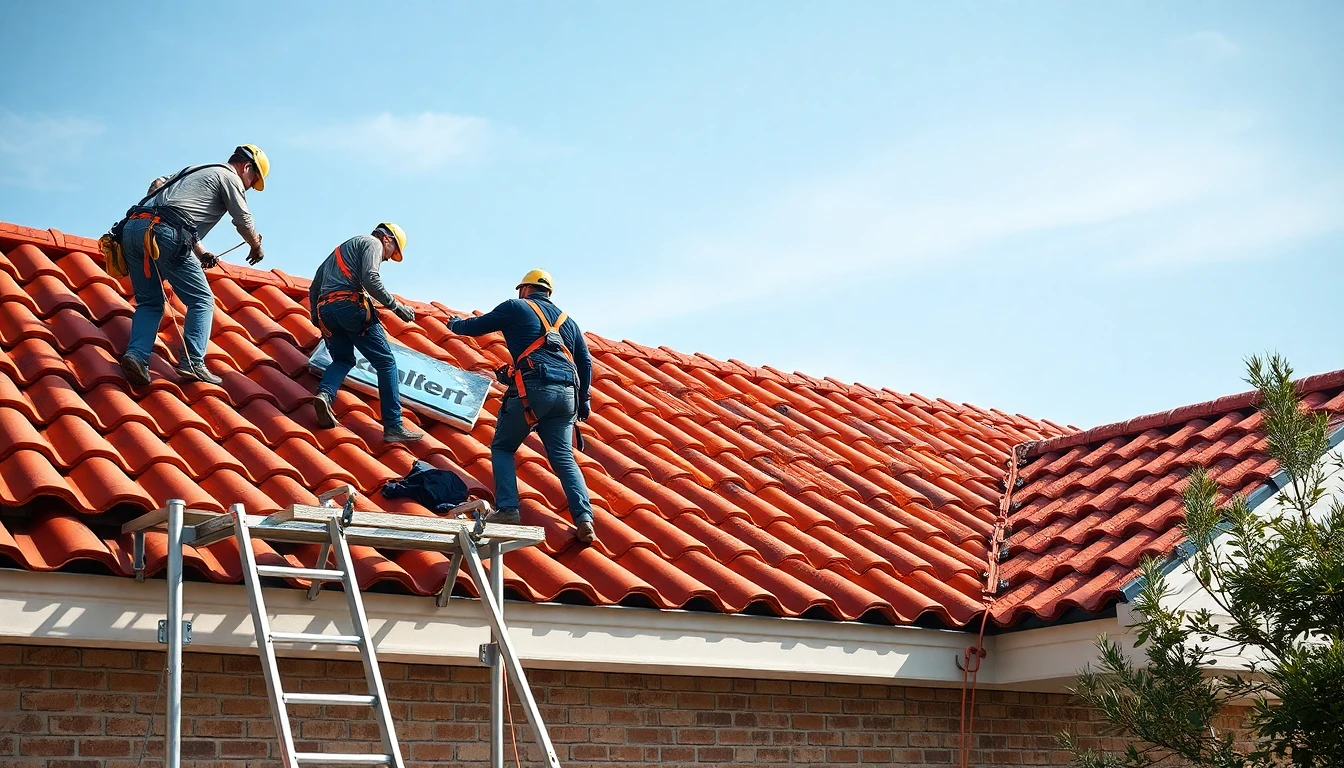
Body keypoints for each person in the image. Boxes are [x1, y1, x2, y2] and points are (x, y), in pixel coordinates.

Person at [446, 270, 597, 543]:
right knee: (564, 458)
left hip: (534, 390)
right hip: (567, 396)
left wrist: (454, 325)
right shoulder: (569, 323)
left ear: (525, 289)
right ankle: (584, 519)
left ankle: (508, 509)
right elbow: (585, 362)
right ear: (548, 293)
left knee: (503, 447)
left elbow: (477, 326)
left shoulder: (516, 307)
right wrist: (584, 399)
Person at [117, 145, 269, 387]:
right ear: (246, 167)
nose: (250, 186)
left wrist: (200, 252)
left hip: (133, 229)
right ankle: (193, 362)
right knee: (202, 300)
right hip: (165, 233)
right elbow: (243, 219)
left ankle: (136, 356)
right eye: (253, 180)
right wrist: (255, 246)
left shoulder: (195, 170)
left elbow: (157, 184)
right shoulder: (229, 176)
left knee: (149, 302)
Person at [308, 223, 423, 444]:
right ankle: (393, 425)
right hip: (350, 306)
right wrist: (396, 307)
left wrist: (316, 317)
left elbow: (314, 287)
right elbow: (370, 278)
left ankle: (325, 396)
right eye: (392, 253)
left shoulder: (338, 252)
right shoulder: (373, 243)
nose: (387, 259)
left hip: (326, 311)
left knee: (343, 360)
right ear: (387, 239)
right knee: (386, 362)